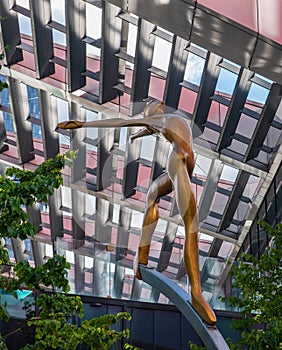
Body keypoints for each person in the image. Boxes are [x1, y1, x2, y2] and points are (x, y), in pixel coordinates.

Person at [57, 101, 217, 325]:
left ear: (154, 111)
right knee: (184, 218)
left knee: (165, 202)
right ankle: (184, 285)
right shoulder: (169, 121)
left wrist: (84, 123)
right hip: (178, 162)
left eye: (146, 118)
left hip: (179, 163)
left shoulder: (162, 119)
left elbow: (125, 122)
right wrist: (134, 134)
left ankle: (189, 287)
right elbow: (136, 125)